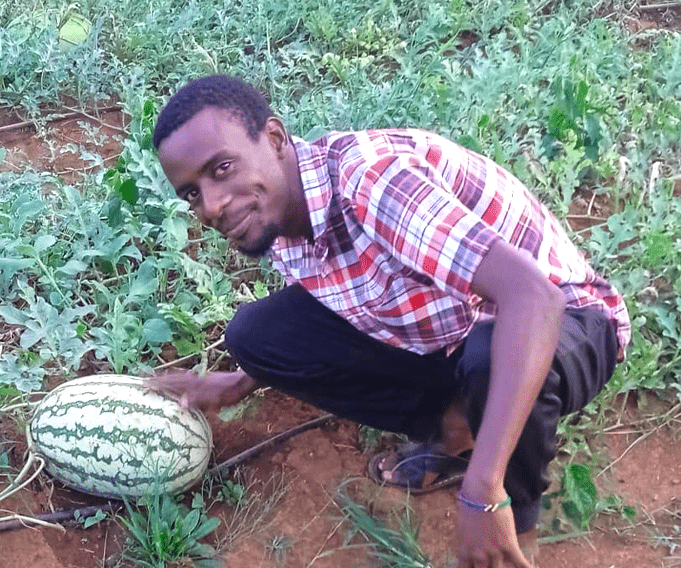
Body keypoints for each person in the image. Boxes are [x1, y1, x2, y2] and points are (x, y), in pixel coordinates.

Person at [145, 74, 630, 567]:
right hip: (451, 324)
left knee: (488, 360)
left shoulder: (372, 180)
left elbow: (534, 298)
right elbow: (341, 292)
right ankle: (457, 427)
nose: (212, 205)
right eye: (192, 194)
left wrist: (483, 491)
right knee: (255, 337)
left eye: (222, 168)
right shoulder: (277, 210)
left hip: (565, 319)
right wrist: (242, 381)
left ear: (274, 138)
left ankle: (514, 531)